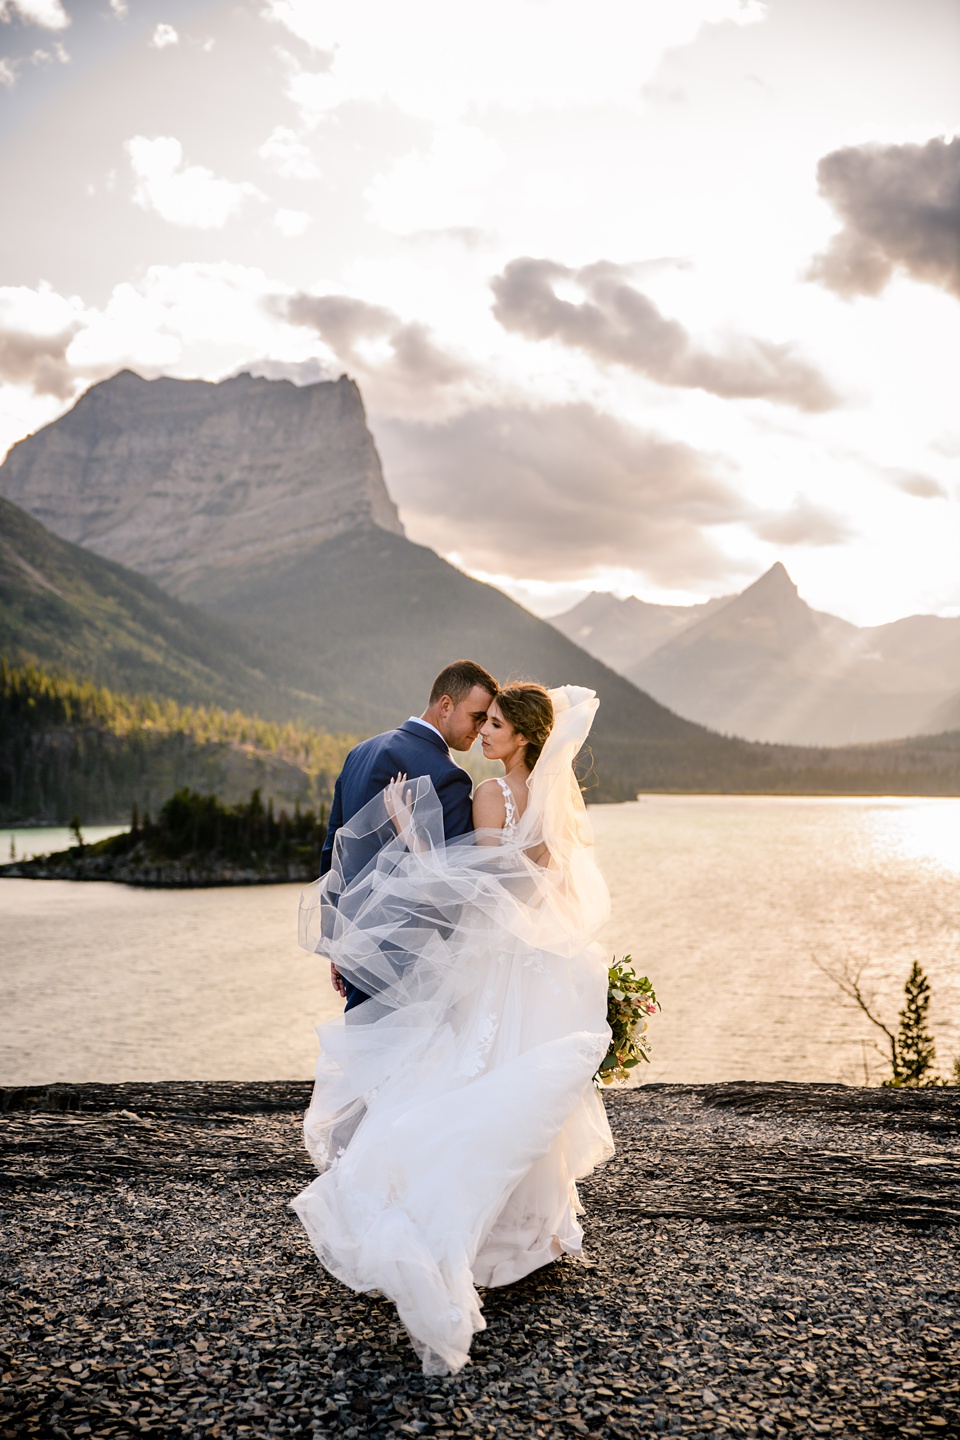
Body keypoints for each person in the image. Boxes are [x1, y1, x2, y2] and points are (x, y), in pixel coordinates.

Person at [293, 683, 614, 1375]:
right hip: (534, 964)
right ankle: (533, 1232)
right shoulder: (553, 803)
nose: (485, 734)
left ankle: (455, 1226)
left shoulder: (491, 797)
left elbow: (479, 883)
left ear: (523, 736)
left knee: (470, 1073)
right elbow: (548, 884)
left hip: (494, 960)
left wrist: (415, 837)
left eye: (496, 724)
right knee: (515, 1076)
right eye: (484, 719)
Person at [317, 659, 497, 1011]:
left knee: (364, 1059)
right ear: (446, 705)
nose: (480, 730)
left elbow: (332, 853)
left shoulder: (360, 753)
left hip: (357, 952)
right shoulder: (447, 775)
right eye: (477, 717)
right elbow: (455, 883)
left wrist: (338, 942)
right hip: (414, 966)